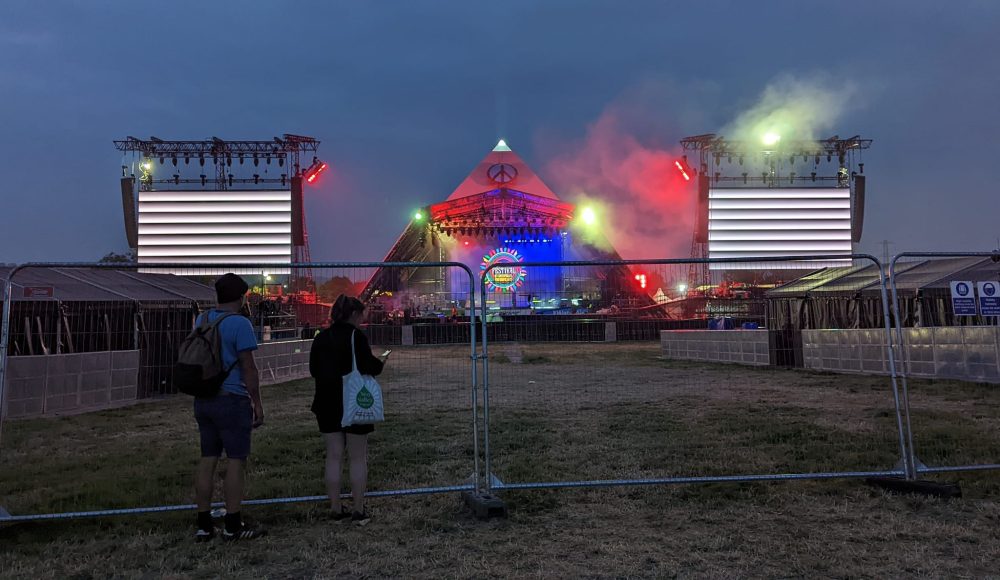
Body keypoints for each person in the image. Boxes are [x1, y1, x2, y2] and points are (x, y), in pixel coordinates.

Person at [192, 273, 266, 542]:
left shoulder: (202, 320)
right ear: (241, 297)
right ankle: (233, 524)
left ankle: (203, 524)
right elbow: (248, 367)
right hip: (231, 399)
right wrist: (257, 402)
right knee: (236, 460)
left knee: (207, 459)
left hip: (204, 399)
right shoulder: (240, 324)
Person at [309, 295, 388, 526]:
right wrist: (381, 362)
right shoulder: (356, 337)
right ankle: (358, 509)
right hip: (353, 402)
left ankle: (335, 508)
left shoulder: (321, 337)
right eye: (362, 314)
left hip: (326, 402)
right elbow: (369, 366)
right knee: (357, 457)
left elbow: (313, 369)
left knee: (333, 456)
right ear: (354, 314)